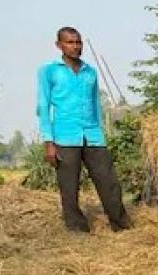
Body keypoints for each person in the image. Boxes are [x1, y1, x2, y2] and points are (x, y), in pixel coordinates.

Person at [36, 26, 129, 233]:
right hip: (64, 137)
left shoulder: (90, 72)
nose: (75, 46)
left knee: (108, 181)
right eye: (70, 42)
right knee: (69, 187)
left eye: (78, 42)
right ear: (59, 45)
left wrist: (101, 134)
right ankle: (77, 229)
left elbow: (96, 105)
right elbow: (43, 107)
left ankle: (121, 225)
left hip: (93, 135)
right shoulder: (49, 71)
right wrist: (48, 142)